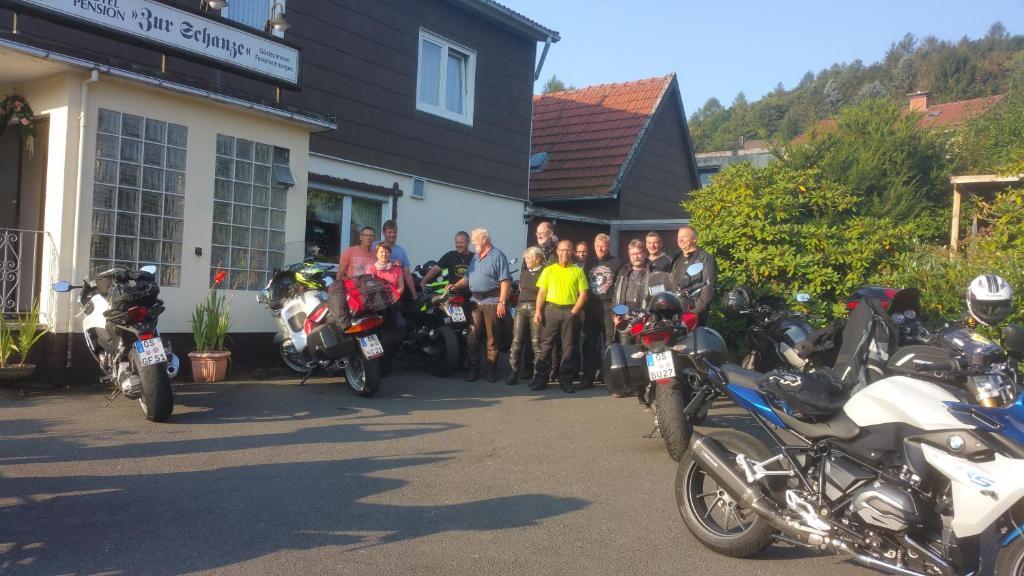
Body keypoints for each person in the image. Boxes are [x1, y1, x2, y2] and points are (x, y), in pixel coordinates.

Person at [447, 228, 511, 382]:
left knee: (492, 338)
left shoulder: (498, 256)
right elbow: (468, 277)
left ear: (484, 239)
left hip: (492, 301)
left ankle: (491, 371)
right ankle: (473, 370)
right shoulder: (476, 257)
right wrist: (455, 286)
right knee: (473, 337)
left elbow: (505, 281)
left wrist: (502, 302)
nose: (473, 243)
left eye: (475, 240)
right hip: (475, 301)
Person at [532, 239, 588, 393]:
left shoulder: (578, 271)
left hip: (570, 312)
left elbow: (583, 295)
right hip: (551, 310)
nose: (565, 253)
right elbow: (541, 293)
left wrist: (573, 313)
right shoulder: (549, 270)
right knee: (546, 345)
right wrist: (537, 311)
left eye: (568, 250)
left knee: (568, 347)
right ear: (557, 251)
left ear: (572, 252)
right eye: (562, 250)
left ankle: (566, 380)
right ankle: (540, 378)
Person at [579, 233, 622, 389]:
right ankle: (588, 378)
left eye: (603, 246)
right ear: (594, 246)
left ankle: (608, 378)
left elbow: (619, 289)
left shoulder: (617, 263)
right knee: (589, 343)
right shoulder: (588, 263)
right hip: (591, 308)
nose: (601, 249)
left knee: (609, 343)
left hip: (608, 306)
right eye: (598, 246)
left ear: (608, 246)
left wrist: (618, 310)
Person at [506, 246, 545, 386]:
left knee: (536, 343)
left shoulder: (545, 272)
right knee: (516, 340)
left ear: (537, 258)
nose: (526, 260)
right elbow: (521, 290)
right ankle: (513, 371)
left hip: (536, 307)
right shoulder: (524, 273)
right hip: (521, 307)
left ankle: (537, 374)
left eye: (528, 258)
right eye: (525, 258)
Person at [365, 243, 405, 375]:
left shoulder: (397, 269)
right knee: (376, 335)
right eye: (381, 252)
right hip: (377, 305)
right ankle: (375, 366)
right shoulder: (371, 268)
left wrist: (393, 298)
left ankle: (386, 364)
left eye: (386, 252)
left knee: (393, 336)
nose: (384, 254)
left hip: (393, 303)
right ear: (376, 254)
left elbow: (401, 287)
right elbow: (367, 288)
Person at [670, 225, 717, 326]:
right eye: (679, 237)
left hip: (693, 315)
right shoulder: (676, 259)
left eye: (684, 237)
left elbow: (708, 287)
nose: (681, 240)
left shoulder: (705, 258)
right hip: (674, 313)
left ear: (694, 239)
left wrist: (694, 312)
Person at [373, 219, 417, 300]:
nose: (392, 235)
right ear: (384, 232)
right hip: (377, 291)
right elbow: (368, 262)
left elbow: (407, 274)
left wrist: (414, 295)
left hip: (395, 292)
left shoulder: (401, 251)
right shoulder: (376, 246)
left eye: (394, 232)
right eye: (389, 232)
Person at [613, 239, 650, 315]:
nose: (636, 257)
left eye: (638, 253)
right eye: (632, 254)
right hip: (623, 315)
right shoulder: (623, 271)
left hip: (645, 317)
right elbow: (616, 295)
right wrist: (615, 315)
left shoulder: (653, 271)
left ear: (644, 254)